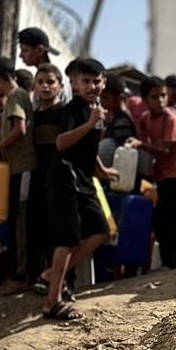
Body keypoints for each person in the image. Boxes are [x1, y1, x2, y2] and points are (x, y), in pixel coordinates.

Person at [42, 58, 115, 321]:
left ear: (103, 82)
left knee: (100, 232)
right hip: (65, 180)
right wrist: (89, 124)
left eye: (96, 81)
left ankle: (53, 275)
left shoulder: (94, 109)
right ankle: (52, 302)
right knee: (67, 240)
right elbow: (62, 143)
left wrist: (102, 169)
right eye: (86, 81)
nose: (92, 86)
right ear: (75, 84)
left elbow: (87, 147)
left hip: (83, 180)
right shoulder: (74, 109)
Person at [0, 56, 38, 295]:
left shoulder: (16, 96)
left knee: (21, 223)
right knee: (16, 221)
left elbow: (20, 129)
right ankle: (18, 274)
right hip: (15, 169)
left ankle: (19, 277)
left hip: (23, 168)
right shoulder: (17, 97)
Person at [130, 77, 176, 269]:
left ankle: (171, 261)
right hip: (163, 174)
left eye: (163, 95)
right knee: (163, 217)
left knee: (166, 215)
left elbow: (165, 151)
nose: (160, 101)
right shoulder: (146, 118)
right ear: (145, 101)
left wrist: (143, 146)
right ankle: (169, 260)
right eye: (155, 97)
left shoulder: (171, 118)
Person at [28, 63, 65, 282]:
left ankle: (57, 278)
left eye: (50, 82)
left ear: (60, 86)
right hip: (37, 178)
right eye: (40, 82)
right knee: (37, 228)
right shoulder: (33, 116)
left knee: (57, 232)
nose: (45, 87)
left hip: (58, 180)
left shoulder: (64, 113)